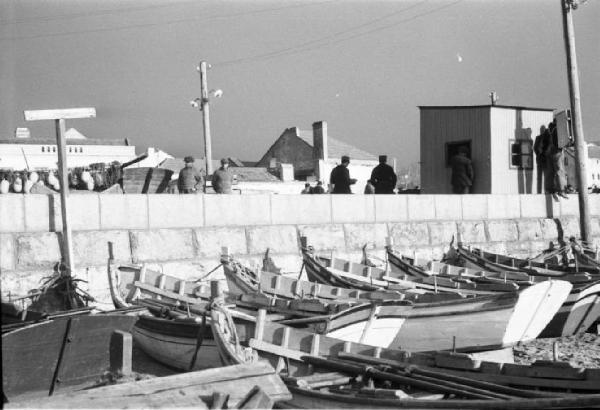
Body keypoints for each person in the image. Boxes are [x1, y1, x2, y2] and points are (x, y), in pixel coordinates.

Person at [533, 125, 549, 194]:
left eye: (543, 129)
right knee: (539, 178)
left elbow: (548, 147)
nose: (542, 130)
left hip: (545, 160)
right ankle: (539, 192)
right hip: (539, 160)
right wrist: (539, 153)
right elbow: (535, 148)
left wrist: (544, 153)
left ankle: (546, 191)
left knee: (546, 177)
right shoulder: (538, 138)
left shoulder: (548, 138)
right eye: (541, 129)